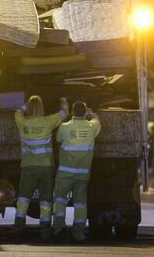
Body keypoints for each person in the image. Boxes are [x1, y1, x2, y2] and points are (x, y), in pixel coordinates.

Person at [14, 95, 68, 241]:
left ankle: (18, 228)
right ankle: (45, 230)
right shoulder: (48, 121)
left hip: (28, 166)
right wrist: (63, 101)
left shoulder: (22, 122)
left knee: (23, 198)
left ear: (29, 108)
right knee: (45, 199)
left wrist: (26, 105)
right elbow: (64, 113)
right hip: (46, 167)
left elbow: (17, 112)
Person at [52, 101, 101, 242]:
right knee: (80, 203)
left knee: (60, 200)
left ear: (72, 112)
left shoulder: (65, 127)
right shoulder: (91, 127)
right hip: (83, 173)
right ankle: (78, 233)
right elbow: (97, 120)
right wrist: (91, 113)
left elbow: (58, 139)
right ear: (84, 112)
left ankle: (58, 229)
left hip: (65, 173)